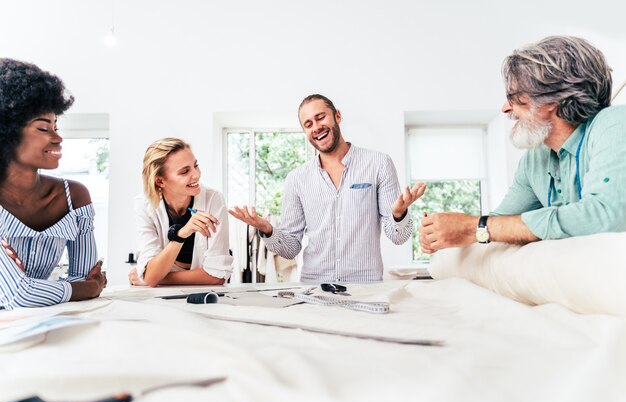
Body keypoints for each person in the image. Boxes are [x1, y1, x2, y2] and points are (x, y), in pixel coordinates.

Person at [420, 36, 626, 254]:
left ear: (552, 98)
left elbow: (605, 216)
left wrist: (474, 227)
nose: (505, 108)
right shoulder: (535, 158)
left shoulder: (615, 123)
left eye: (515, 97)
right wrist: (445, 232)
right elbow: (499, 225)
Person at [229, 94, 426, 283]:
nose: (316, 127)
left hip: (366, 288)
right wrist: (267, 229)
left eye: (320, 117)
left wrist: (399, 214)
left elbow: (398, 236)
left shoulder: (379, 164)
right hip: (315, 289)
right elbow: (291, 248)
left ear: (337, 116)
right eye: (308, 124)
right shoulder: (296, 180)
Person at [0, 58, 106, 310]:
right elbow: (20, 295)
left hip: (37, 323)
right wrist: (87, 288)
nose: (58, 138)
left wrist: (80, 287)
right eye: (43, 128)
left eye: (56, 126)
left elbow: (84, 277)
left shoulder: (75, 196)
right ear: (7, 132)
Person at [129, 138, 233, 287]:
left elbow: (217, 276)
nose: (196, 174)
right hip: (161, 296)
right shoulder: (144, 205)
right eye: (185, 171)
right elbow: (151, 276)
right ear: (160, 181)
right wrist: (181, 235)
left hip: (204, 294)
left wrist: (155, 277)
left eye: (195, 165)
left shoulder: (213, 199)